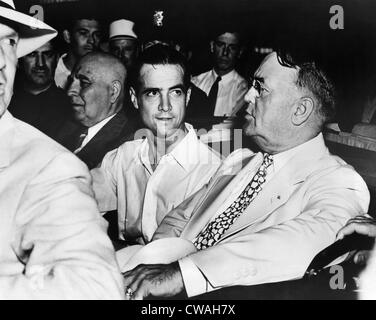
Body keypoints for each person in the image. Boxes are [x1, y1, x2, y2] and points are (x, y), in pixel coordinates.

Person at [121, 50, 370, 300]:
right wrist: (152, 263)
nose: (248, 96)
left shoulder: (338, 181)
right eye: (251, 85)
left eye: (260, 89)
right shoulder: (238, 161)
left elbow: (318, 239)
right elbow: (178, 220)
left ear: (300, 110)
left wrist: (182, 274)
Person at [0, 0, 123, 299]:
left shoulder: (48, 166)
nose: (2, 61)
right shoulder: (66, 130)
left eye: (9, 43)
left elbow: (95, 288)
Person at [91, 44, 222, 245]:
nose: (165, 106)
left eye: (175, 92)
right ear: (135, 99)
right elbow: (80, 197)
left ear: (187, 97)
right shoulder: (123, 157)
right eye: (153, 93)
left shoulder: (212, 171)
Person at [56, 52, 140, 169]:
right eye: (71, 81)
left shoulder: (129, 145)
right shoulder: (64, 126)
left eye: (84, 83)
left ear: (113, 91)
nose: (70, 91)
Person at [8, 40, 71, 138]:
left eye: (47, 54)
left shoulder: (69, 107)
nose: (40, 63)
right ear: (18, 60)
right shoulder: (6, 102)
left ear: (57, 58)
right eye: (32, 54)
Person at [191, 29, 248, 117]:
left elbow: (237, 128)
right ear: (212, 46)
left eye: (232, 48)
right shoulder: (195, 82)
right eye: (220, 45)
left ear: (240, 52)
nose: (225, 52)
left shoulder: (243, 90)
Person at [55, 15, 102, 90]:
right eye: (83, 33)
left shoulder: (104, 72)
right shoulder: (51, 72)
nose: (92, 41)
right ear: (67, 36)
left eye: (97, 35)